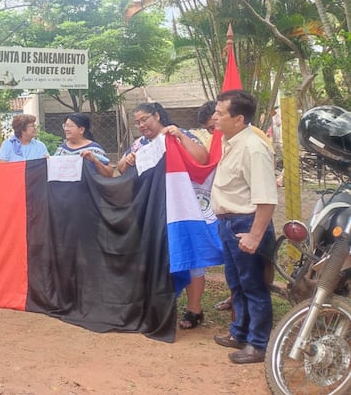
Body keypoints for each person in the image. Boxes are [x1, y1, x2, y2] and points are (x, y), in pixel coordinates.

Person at [116, 102, 209, 328]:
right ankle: (159, 305)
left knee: (188, 257)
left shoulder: (176, 135)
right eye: (137, 122)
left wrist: (179, 136)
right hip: (151, 211)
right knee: (157, 258)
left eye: (145, 119)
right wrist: (126, 161)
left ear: (157, 115)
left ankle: (194, 309)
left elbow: (202, 158)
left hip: (181, 208)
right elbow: (120, 168)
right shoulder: (139, 144)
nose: (141, 125)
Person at [211, 90, 278, 365]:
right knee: (237, 285)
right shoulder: (232, 142)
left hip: (246, 225)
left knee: (254, 287)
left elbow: (267, 199)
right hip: (229, 224)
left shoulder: (253, 147)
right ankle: (240, 333)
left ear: (238, 119)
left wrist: (254, 235)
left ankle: (258, 344)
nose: (214, 117)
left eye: (220, 113)